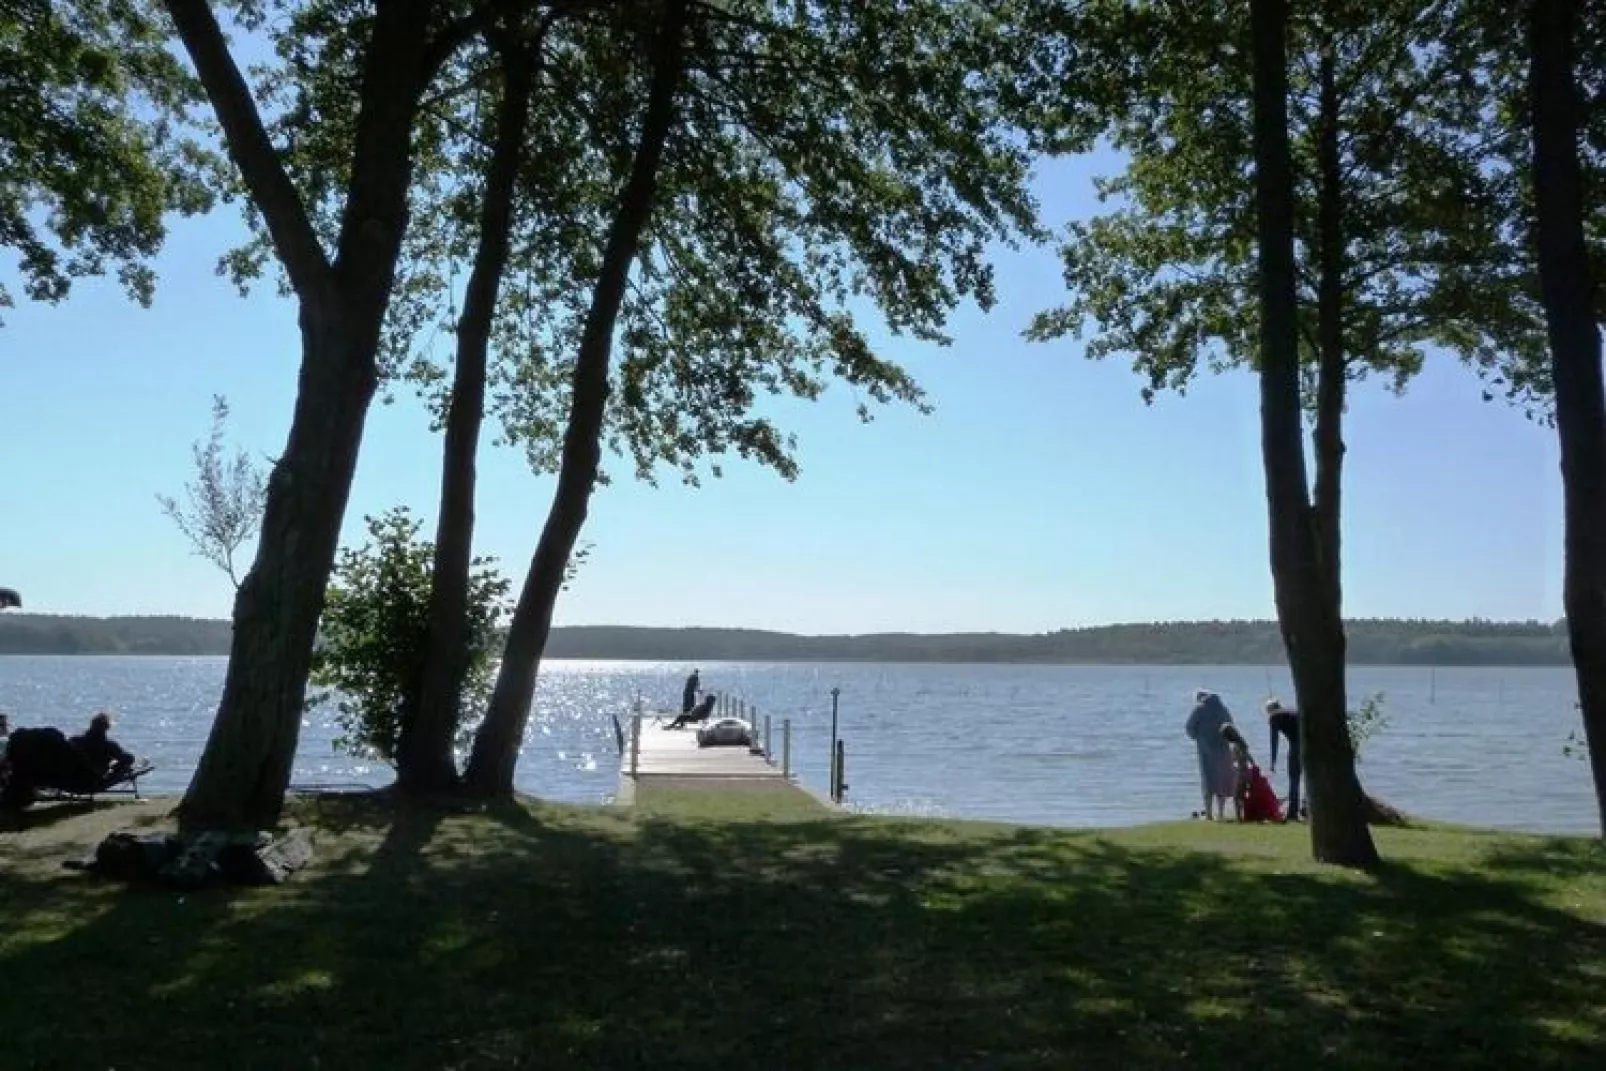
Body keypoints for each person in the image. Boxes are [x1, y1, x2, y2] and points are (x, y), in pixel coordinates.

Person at [1185, 690, 1237, 820]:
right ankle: (1220, 813)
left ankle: (1208, 814)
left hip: (1206, 750)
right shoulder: (1223, 709)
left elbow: (1189, 727)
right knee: (1222, 782)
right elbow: (1231, 726)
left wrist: (1197, 736)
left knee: (1208, 782)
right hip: (1223, 750)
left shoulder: (1199, 709)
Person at [1266, 698, 1302, 822]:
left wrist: (1273, 762)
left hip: (1297, 746)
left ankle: (1293, 812)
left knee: (1294, 779)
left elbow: (1274, 741)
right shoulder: (1290, 711)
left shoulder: (1274, 717)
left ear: (1270, 710)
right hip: (1311, 744)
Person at [70, 711, 134, 781]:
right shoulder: (109, 746)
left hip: (74, 778)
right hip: (95, 780)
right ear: (106, 728)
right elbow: (128, 758)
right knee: (128, 760)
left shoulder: (75, 741)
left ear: (91, 725)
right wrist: (114, 768)